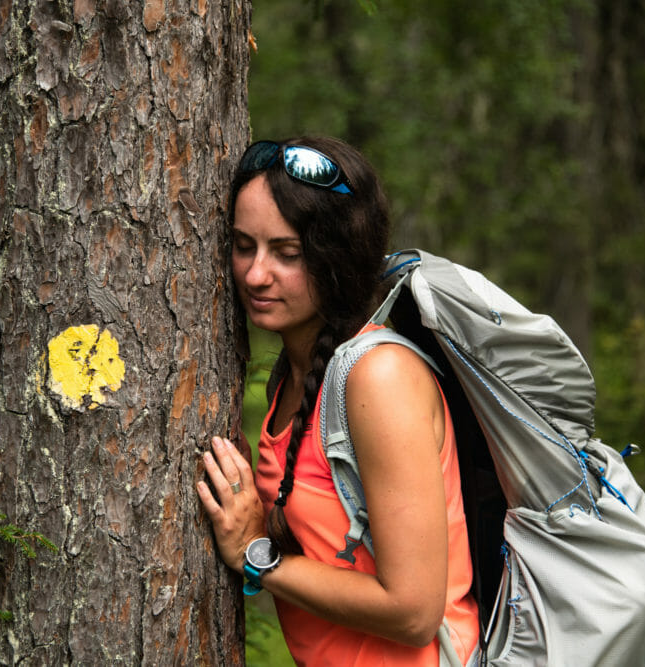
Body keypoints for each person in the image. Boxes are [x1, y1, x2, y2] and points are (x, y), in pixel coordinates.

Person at [196, 137, 479, 666]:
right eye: (243, 245)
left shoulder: (378, 377)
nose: (256, 274)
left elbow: (415, 611)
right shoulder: (296, 378)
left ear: (337, 258)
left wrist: (257, 553)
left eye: (287, 254)